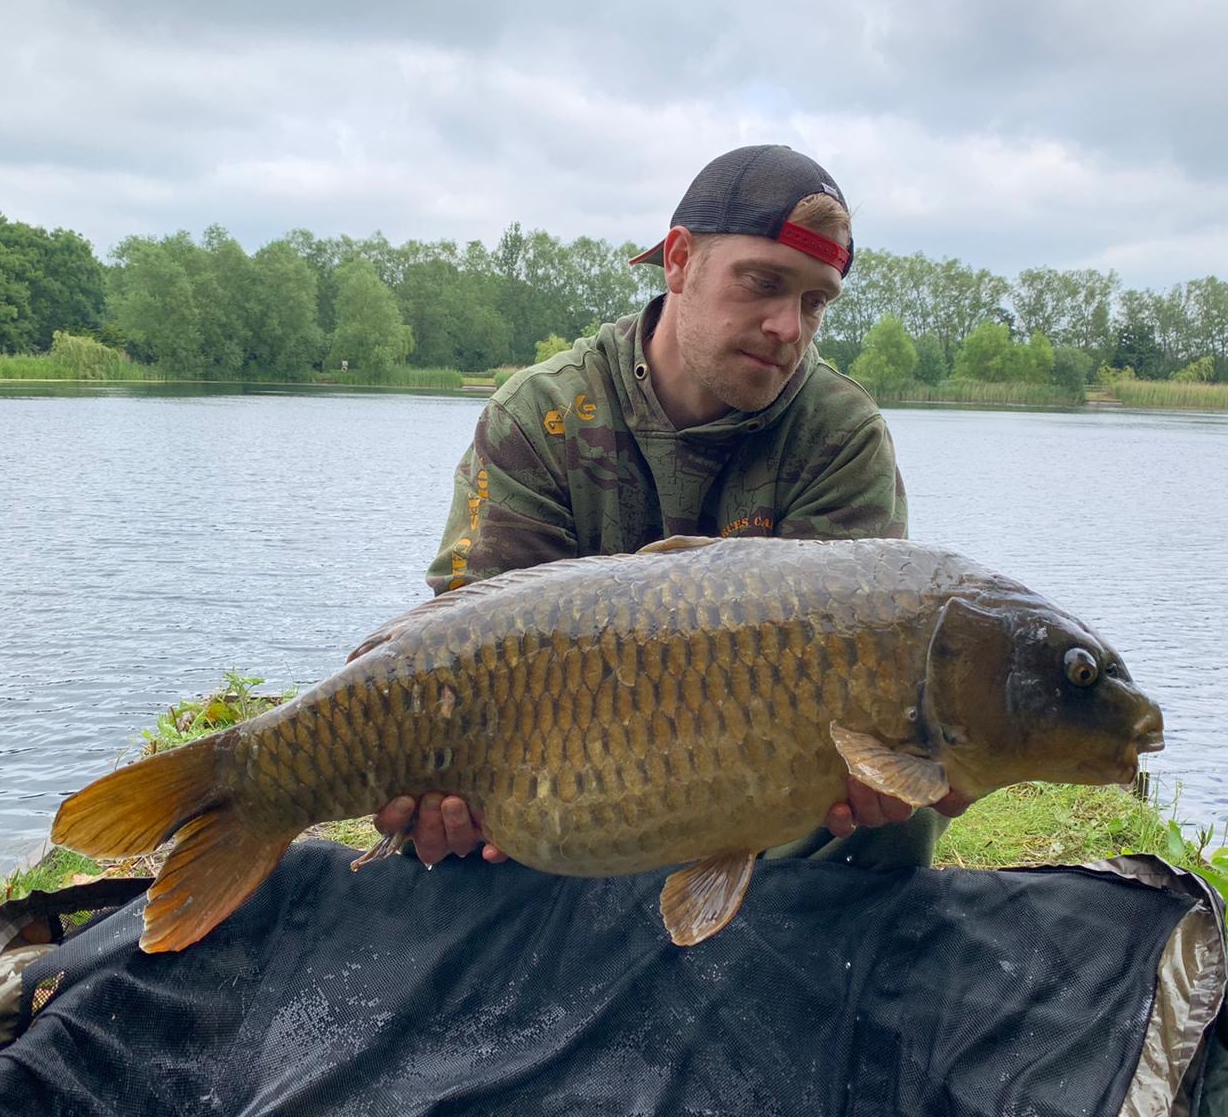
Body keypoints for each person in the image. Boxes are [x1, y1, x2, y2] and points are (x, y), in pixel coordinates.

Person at [373, 144, 970, 869]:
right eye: (764, 283)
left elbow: (865, 665)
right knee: (442, 810)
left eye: (815, 302)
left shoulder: (840, 436)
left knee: (893, 813)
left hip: (756, 779)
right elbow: (461, 646)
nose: (788, 326)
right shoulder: (545, 413)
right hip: (555, 778)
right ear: (680, 261)